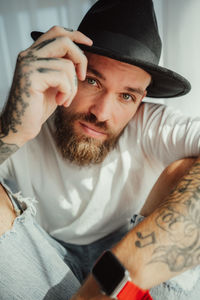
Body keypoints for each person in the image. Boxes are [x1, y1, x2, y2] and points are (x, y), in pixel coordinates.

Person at [0, 0, 200, 299]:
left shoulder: (151, 124)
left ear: (142, 98)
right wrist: (13, 131)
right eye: (92, 81)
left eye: (126, 96)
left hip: (131, 252)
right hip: (45, 258)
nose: (103, 113)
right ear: (66, 68)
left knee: (187, 172)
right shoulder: (30, 112)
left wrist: (116, 282)